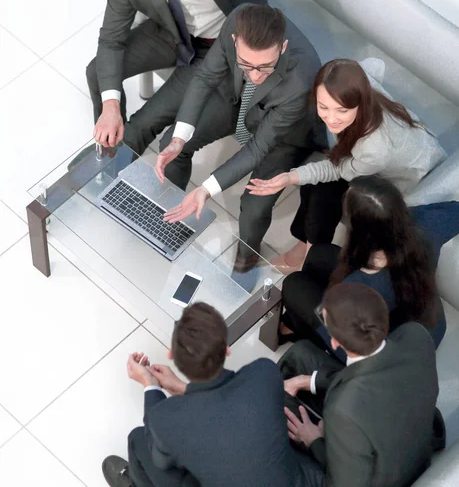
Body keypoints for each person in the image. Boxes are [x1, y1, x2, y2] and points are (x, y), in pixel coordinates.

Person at [89, 0, 376, 150]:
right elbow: (111, 39)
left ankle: (121, 149)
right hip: (171, 34)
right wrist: (111, 106)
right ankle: (110, 141)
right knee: (97, 73)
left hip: (224, 47)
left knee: (145, 123)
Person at [152, 3, 328, 269]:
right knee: (170, 143)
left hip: (284, 135)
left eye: (265, 67)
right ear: (235, 40)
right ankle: (172, 217)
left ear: (282, 48)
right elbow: (205, 78)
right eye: (246, 64)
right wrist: (179, 138)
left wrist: (206, 189)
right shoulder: (237, 19)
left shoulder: (301, 79)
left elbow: (258, 148)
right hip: (240, 103)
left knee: (255, 206)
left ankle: (246, 256)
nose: (256, 75)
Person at [246, 58, 446, 273]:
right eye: (323, 106)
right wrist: (295, 176)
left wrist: (291, 176)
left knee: (324, 192)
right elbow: (375, 63)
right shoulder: (360, 82)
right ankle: (303, 249)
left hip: (412, 181)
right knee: (312, 184)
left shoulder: (374, 148)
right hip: (383, 155)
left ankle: (309, 255)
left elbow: (337, 169)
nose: (331, 118)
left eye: (341, 110)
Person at [101, 302, 325, 487]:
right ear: (226, 349)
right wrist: (181, 387)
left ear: (171, 356)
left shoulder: (163, 419)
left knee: (139, 440)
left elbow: (161, 458)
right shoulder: (264, 373)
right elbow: (230, 401)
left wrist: (150, 386)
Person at [279, 282, 441, 487]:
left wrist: (315, 441)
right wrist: (308, 381)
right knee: (301, 352)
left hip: (385, 476)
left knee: (277, 414)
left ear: (336, 342)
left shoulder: (343, 411)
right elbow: (378, 370)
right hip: (408, 430)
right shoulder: (416, 335)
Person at [280, 175, 459, 354]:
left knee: (293, 284)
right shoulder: (427, 222)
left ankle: (308, 335)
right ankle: (298, 325)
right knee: (319, 254)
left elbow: (352, 347)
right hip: (428, 323)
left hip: (384, 352)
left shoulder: (361, 285)